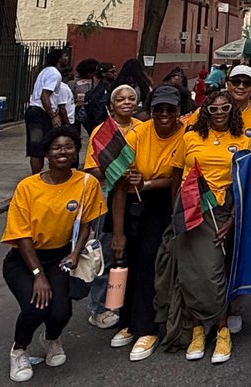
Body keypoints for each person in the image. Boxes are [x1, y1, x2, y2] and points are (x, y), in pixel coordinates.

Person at [2, 126, 107, 383]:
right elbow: (22, 236)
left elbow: (86, 224)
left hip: (60, 257)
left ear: (76, 152)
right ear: (47, 154)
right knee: (35, 307)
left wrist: (75, 254)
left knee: (61, 312)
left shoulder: (86, 184)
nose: (63, 152)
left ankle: (51, 339)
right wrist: (38, 275)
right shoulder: (27, 187)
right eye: (56, 148)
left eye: (68, 147)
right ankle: (19, 349)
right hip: (25, 259)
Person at [165, 89, 251, 364]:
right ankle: (197, 330)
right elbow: (176, 174)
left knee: (214, 271)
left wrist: (232, 219)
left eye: (225, 108)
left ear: (232, 110)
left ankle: (222, 329)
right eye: (213, 109)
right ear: (205, 111)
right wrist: (175, 213)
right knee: (190, 273)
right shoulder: (190, 137)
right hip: (190, 207)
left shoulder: (242, 140)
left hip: (221, 207)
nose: (219, 113)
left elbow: (244, 185)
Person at [109, 86, 185, 361]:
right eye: (158, 109)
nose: (164, 114)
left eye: (170, 109)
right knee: (127, 257)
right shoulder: (138, 133)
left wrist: (148, 183)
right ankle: (128, 321)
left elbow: (177, 179)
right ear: (150, 110)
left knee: (151, 261)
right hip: (133, 200)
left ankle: (147, 328)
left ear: (178, 111)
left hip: (165, 201)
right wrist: (117, 232)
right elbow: (120, 183)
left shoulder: (186, 135)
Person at [82, 84, 141, 330]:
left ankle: (122, 301)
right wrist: (116, 170)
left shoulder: (141, 128)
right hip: (105, 199)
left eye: (131, 98)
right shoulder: (102, 131)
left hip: (135, 197)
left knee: (130, 251)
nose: (126, 102)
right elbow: (91, 168)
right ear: (112, 105)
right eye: (121, 99)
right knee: (106, 252)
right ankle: (98, 308)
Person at [26, 47, 70, 175]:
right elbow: (44, 95)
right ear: (59, 59)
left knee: (39, 147)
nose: (67, 58)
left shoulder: (45, 71)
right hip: (40, 113)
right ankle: (36, 176)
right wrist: (53, 116)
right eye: (65, 56)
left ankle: (39, 174)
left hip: (35, 111)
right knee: (38, 147)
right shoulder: (55, 74)